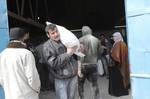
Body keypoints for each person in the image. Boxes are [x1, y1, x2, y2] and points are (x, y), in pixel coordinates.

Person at [0, 27, 41, 99]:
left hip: (10, 95)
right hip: (27, 95)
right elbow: (32, 77)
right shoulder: (26, 53)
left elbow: (1, 78)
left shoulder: (2, 54)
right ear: (23, 37)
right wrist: (37, 89)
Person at [43, 24, 78, 99]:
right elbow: (54, 63)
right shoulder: (47, 46)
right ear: (48, 35)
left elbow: (74, 57)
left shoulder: (64, 40)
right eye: (53, 33)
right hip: (61, 79)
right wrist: (68, 54)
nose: (56, 34)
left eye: (56, 31)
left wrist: (78, 50)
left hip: (73, 76)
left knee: (72, 97)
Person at [78, 26, 102, 99]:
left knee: (80, 84)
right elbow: (100, 52)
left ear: (83, 32)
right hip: (93, 64)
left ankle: (81, 97)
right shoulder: (96, 40)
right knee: (94, 84)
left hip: (83, 65)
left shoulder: (80, 40)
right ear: (90, 31)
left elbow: (79, 55)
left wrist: (79, 68)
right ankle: (97, 98)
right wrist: (95, 59)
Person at [108, 32, 130, 97]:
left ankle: (118, 92)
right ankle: (123, 91)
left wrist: (111, 55)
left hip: (117, 66)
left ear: (118, 37)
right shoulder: (123, 43)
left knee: (118, 79)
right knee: (123, 78)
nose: (113, 38)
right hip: (122, 64)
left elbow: (116, 57)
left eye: (114, 37)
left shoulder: (118, 44)